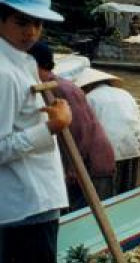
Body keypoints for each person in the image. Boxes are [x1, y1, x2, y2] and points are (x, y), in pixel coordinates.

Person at [0, 0, 71, 263]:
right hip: (24, 207)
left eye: (38, 24)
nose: (31, 32)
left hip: (37, 202)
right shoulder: (3, 72)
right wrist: (50, 130)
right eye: (21, 22)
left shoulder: (23, 62)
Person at [29, 42, 116, 209]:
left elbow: (81, 129)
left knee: (86, 216)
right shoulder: (49, 87)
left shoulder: (61, 88)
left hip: (90, 164)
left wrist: (74, 168)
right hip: (82, 163)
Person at [77, 68, 140, 194]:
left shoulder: (89, 98)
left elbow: (86, 130)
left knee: (107, 193)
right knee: (130, 190)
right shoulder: (125, 94)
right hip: (137, 146)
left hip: (110, 151)